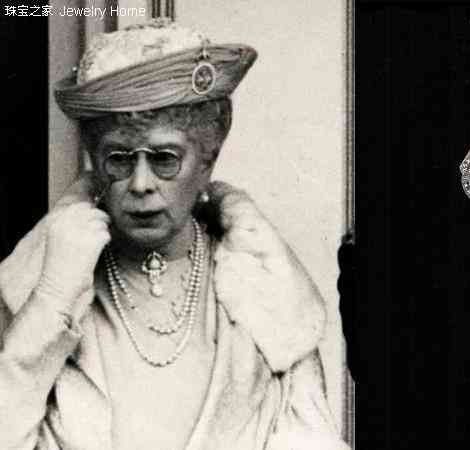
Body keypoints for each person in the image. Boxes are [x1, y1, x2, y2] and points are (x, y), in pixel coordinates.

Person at [0, 19, 348, 450]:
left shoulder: (266, 291)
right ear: (95, 163)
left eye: (165, 158)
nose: (141, 183)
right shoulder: (38, 290)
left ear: (207, 161)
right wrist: (52, 299)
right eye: (119, 159)